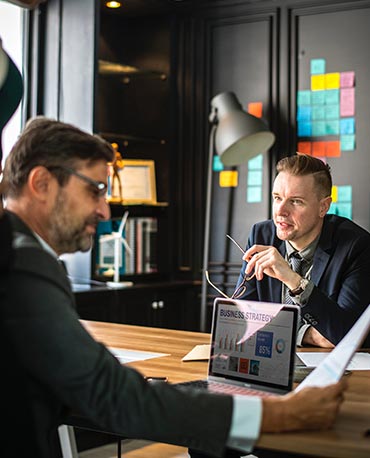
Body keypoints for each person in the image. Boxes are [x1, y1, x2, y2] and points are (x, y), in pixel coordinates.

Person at [0, 118, 347, 457]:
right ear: (42, 183)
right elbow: (112, 396)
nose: (104, 210)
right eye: (96, 190)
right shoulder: (21, 266)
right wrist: (282, 414)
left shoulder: (19, 256)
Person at [235, 153, 370, 348]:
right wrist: (307, 334)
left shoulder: (356, 246)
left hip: (330, 373)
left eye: (296, 201)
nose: (280, 211)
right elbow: (240, 320)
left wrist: (294, 281)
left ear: (323, 207)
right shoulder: (261, 235)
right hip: (267, 364)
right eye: (277, 198)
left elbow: (345, 336)